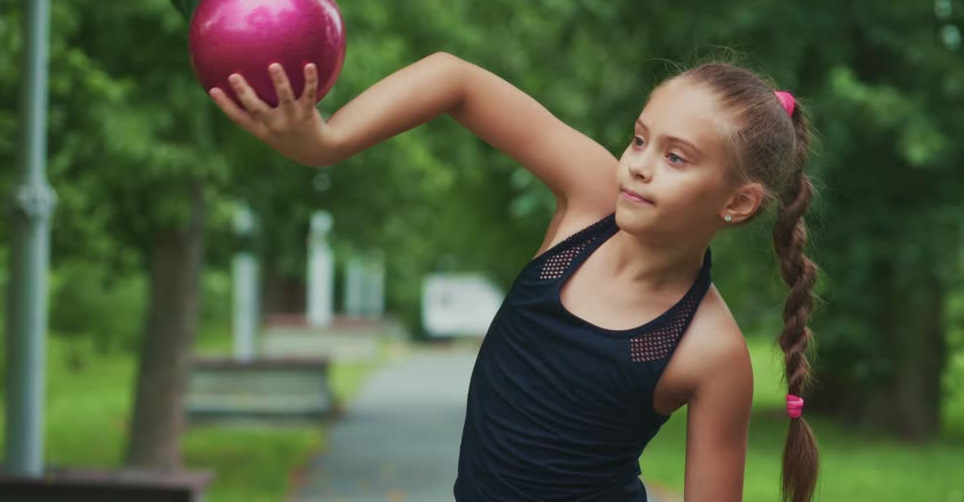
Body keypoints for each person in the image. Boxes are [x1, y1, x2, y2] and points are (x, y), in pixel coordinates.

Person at [208, 52, 821, 502]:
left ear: (737, 203)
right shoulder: (590, 199)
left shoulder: (710, 351)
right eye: (639, 139)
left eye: (676, 156)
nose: (637, 167)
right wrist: (326, 141)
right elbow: (455, 78)